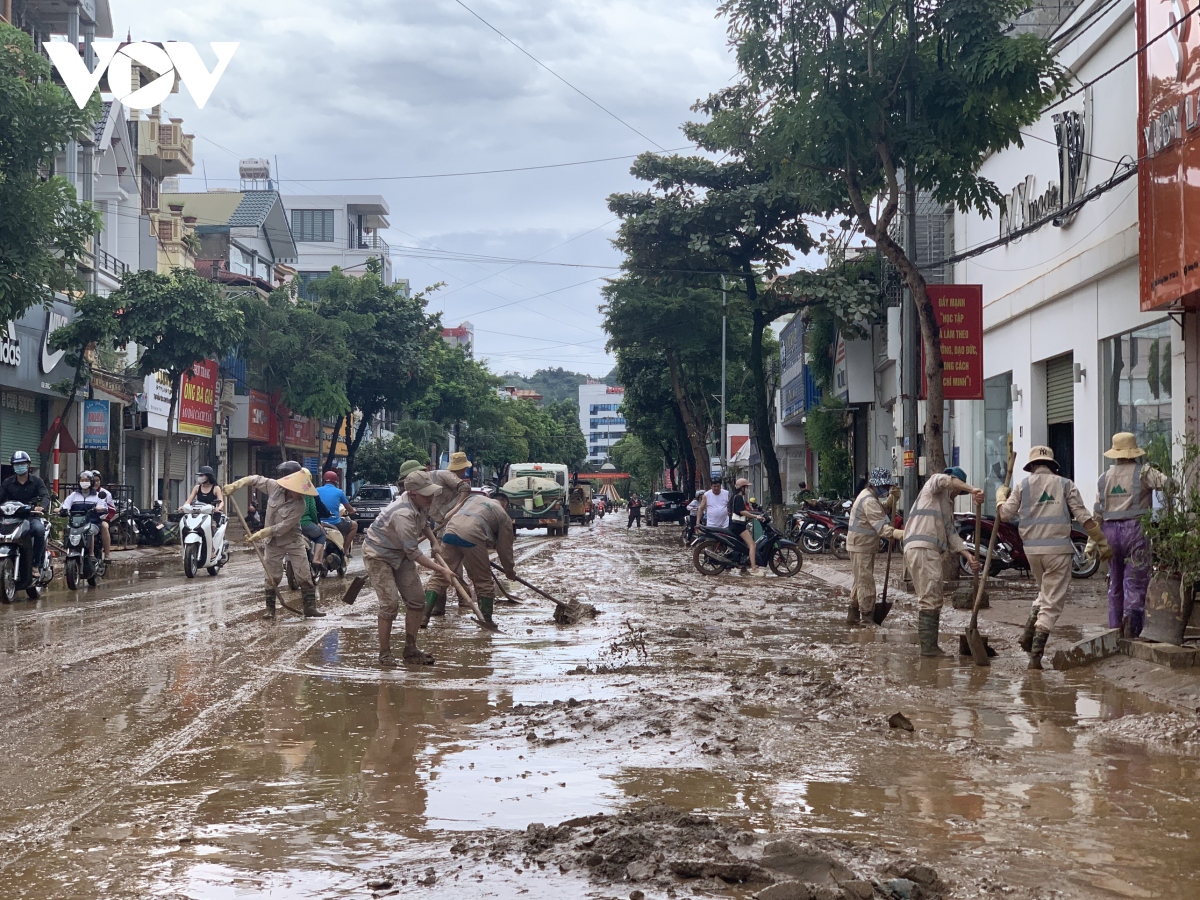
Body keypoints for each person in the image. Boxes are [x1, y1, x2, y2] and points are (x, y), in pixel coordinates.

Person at [996, 447, 1111, 668]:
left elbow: (1004, 515)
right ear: (1052, 465)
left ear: (1031, 466)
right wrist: (1100, 540)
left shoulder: (1022, 486)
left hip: (1031, 552)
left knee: (1045, 593)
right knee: (1052, 604)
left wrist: (1001, 497)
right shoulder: (1065, 484)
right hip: (1057, 551)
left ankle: (1028, 635)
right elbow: (1084, 518)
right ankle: (1036, 656)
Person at [362, 469, 457, 666]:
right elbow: (413, 553)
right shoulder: (402, 514)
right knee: (390, 604)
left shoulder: (421, 502)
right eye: (426, 494)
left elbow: (424, 524)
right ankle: (385, 653)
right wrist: (442, 570)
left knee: (417, 600)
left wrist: (433, 542)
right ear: (413, 493)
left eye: (431, 492)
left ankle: (411, 649)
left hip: (400, 553)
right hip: (378, 555)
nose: (431, 497)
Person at [223, 461, 325, 619]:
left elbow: (283, 527)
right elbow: (255, 479)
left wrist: (261, 533)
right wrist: (236, 485)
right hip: (273, 542)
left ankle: (310, 607)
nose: (301, 493)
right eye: (297, 490)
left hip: (293, 540)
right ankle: (270, 609)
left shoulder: (300, 505)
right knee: (272, 575)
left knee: (303, 573)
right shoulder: (274, 487)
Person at [1093, 432, 1170, 638]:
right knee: (1135, 581)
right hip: (1135, 531)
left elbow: (1097, 512)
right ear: (1134, 452)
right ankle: (1132, 631)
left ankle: (1114, 629)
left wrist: (1093, 541)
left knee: (1115, 582)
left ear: (1115, 453)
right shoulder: (1144, 472)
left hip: (1109, 533)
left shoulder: (1104, 478)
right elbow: (1171, 485)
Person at [903, 466, 984, 657]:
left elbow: (951, 534)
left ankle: (930, 646)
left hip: (926, 550)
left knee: (933, 595)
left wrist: (968, 555)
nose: (957, 494)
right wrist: (973, 489)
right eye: (958, 491)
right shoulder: (933, 486)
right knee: (930, 597)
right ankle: (929, 649)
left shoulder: (946, 506)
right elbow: (944, 480)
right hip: (922, 548)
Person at [424, 490, 517, 628]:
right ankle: (487, 620)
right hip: (472, 537)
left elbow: (449, 515)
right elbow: (505, 549)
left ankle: (423, 617)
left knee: (440, 576)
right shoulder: (503, 515)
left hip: (449, 533)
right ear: (505, 505)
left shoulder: (473, 499)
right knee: (483, 580)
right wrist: (509, 570)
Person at [846, 467, 904, 625]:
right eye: (884, 487)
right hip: (861, 546)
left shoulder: (869, 497)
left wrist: (891, 501)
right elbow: (882, 528)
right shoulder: (869, 500)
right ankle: (866, 617)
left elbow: (880, 510)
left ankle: (852, 616)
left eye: (887, 487)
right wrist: (901, 534)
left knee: (860, 580)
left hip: (862, 545)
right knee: (866, 582)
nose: (886, 489)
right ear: (875, 485)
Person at [0, 451, 50, 578]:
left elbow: (45, 496)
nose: (19, 466)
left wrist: (41, 507)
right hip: (11, 518)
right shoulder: (7, 482)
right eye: (16, 464)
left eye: (22, 463)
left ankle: (35, 565)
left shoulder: (37, 481)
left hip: (30, 516)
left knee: (39, 531)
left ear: (28, 465)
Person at [318, 471, 357, 559]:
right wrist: (353, 511)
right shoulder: (339, 492)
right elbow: (349, 508)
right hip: (334, 522)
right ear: (336, 481)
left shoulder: (317, 490)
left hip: (319, 522)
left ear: (324, 480)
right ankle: (345, 549)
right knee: (354, 525)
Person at [730, 478, 766, 576]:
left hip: (735, 525)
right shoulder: (738, 497)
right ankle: (754, 569)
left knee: (742, 548)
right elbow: (742, 512)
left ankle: (743, 568)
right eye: (746, 487)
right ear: (742, 488)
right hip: (739, 526)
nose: (747, 490)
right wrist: (756, 516)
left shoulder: (734, 497)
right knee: (752, 545)